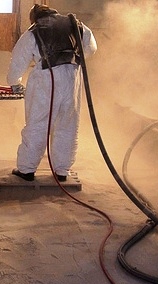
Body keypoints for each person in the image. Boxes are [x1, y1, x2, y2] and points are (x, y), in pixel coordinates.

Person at [7, 4, 97, 182]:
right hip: (72, 78)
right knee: (67, 124)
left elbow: (18, 61)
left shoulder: (34, 31)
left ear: (34, 17)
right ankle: (62, 171)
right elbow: (92, 47)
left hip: (46, 80)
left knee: (38, 123)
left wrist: (14, 83)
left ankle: (27, 169)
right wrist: (76, 58)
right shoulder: (74, 23)